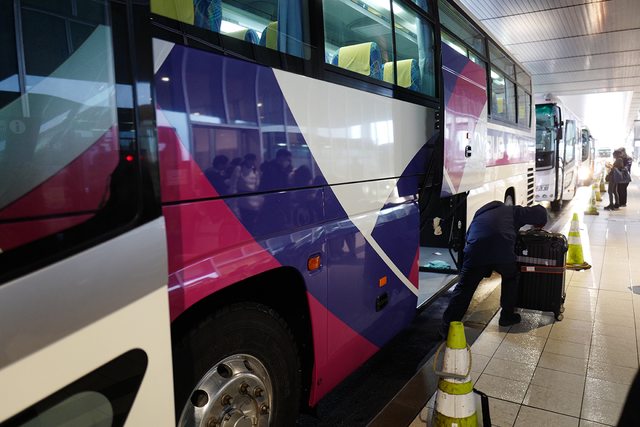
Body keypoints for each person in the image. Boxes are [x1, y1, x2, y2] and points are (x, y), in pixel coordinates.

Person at [440, 201, 547, 338]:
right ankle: (507, 316)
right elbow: (539, 212)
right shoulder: (512, 211)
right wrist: (540, 224)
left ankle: (447, 327)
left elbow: (468, 236)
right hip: (502, 251)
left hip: (475, 251)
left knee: (464, 288)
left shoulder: (480, 214)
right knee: (511, 278)